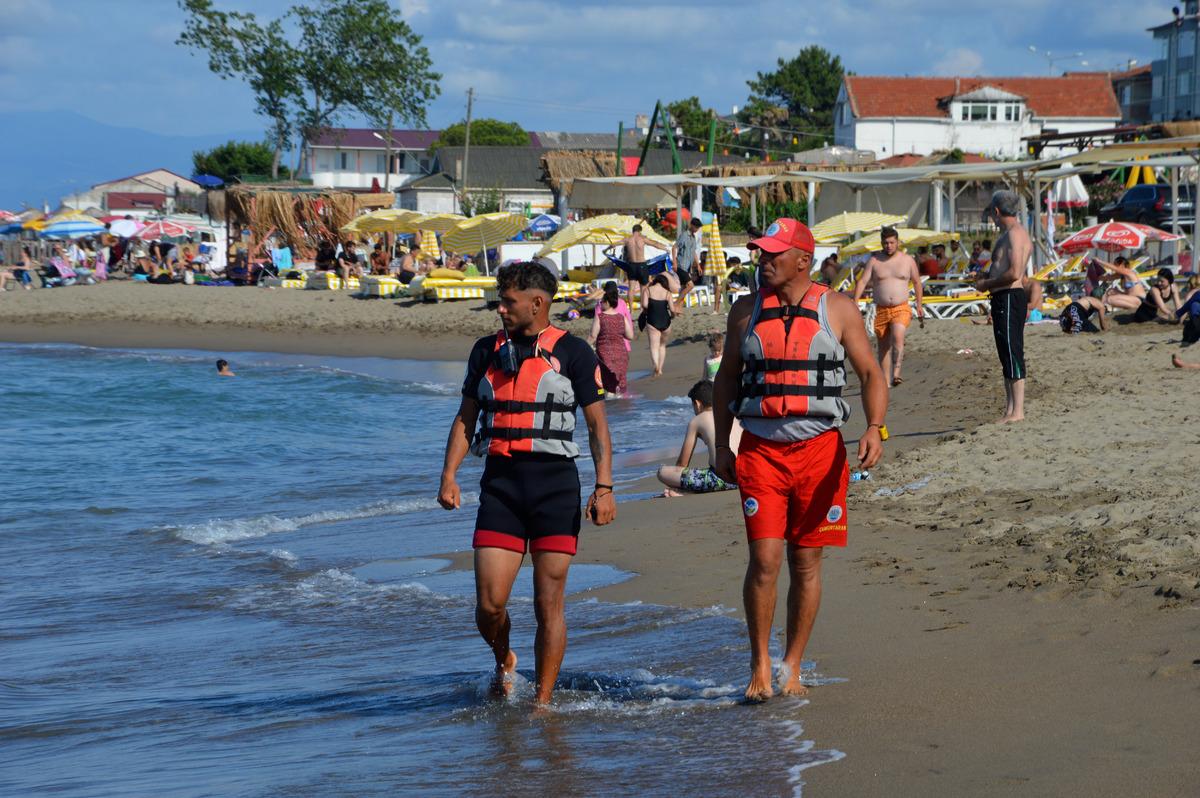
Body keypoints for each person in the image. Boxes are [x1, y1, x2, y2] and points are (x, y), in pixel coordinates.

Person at [712, 217, 887, 701]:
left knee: (806, 561)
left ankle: (792, 664)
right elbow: (726, 378)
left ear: (803, 260)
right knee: (764, 560)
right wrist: (723, 444)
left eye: (774, 254)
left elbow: (870, 373)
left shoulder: (838, 308)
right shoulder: (744, 310)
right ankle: (760, 663)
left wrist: (875, 427)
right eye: (762, 253)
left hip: (820, 452)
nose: (763, 261)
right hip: (760, 451)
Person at [438, 260, 616, 706]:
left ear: (537, 303)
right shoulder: (485, 351)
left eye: (508, 302)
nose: (500, 309)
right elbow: (466, 417)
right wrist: (449, 475)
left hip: (555, 489)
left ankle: (542, 701)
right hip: (501, 487)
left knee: (547, 603)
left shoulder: (574, 353)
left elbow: (597, 427)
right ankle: (504, 659)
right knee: (489, 604)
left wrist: (605, 487)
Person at [975, 190, 1031, 424]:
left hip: (1009, 296)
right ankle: (1010, 410)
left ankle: (1018, 411)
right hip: (1004, 297)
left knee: (1012, 350)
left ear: (996, 211)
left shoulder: (1015, 235)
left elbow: (1015, 273)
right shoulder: (1011, 234)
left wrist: (987, 284)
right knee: (1005, 353)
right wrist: (986, 277)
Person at [852, 226, 924, 387]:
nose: (889, 246)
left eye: (892, 242)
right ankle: (886, 381)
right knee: (883, 346)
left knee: (898, 336)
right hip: (881, 309)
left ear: (898, 242)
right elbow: (862, 281)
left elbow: (917, 282)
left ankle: (896, 373)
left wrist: (919, 304)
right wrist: (855, 301)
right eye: (885, 243)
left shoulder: (907, 260)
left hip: (901, 307)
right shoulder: (874, 261)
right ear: (881, 243)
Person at [658, 380, 742, 497]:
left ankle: (687, 491)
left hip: (721, 480)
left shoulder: (697, 420)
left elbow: (682, 464)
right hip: (745, 477)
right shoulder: (731, 414)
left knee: (662, 472)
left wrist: (676, 482)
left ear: (697, 404)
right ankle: (691, 490)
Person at [589, 281, 635, 396]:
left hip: (605, 353)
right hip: (622, 353)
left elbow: (593, 336)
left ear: (607, 302)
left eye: (602, 301)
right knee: (620, 380)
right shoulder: (621, 317)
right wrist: (618, 332)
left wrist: (584, 347)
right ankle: (622, 402)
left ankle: (611, 403)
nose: (601, 303)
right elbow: (630, 336)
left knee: (608, 382)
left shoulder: (601, 317)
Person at [611, 223, 666, 288]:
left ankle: (630, 295)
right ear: (640, 231)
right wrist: (666, 249)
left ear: (633, 231)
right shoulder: (642, 239)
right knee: (644, 288)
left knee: (631, 288)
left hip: (632, 265)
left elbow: (613, 245)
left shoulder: (627, 239)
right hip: (641, 265)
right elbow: (655, 244)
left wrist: (605, 251)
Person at [641, 273, 674, 377]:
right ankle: (660, 368)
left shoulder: (648, 290)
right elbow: (672, 309)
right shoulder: (668, 293)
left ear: (655, 281)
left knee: (654, 346)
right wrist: (673, 316)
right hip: (666, 321)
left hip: (652, 320)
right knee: (662, 345)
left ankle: (656, 366)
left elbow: (644, 305)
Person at [670, 217, 702, 311]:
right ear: (691, 225)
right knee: (690, 285)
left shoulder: (693, 237)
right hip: (681, 265)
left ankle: (678, 309)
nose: (697, 229)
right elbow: (674, 247)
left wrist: (698, 265)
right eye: (696, 227)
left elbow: (693, 252)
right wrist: (674, 262)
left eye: (698, 227)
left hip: (688, 267)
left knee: (684, 287)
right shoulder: (684, 235)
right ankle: (675, 303)